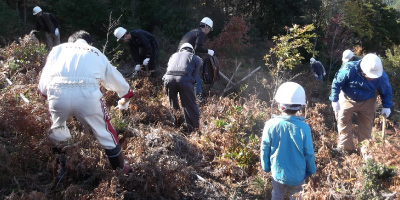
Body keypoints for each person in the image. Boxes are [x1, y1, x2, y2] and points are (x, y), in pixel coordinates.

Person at [38, 30, 134, 185]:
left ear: (70, 41)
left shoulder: (57, 50)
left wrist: (45, 94)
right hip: (87, 95)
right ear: (90, 43)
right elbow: (112, 76)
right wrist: (125, 93)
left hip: (57, 93)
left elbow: (45, 77)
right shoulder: (95, 52)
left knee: (58, 132)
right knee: (106, 133)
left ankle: (62, 169)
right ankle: (122, 170)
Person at [260, 82, 316, 199]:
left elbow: (265, 148)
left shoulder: (270, 125)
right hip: (298, 175)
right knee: (297, 196)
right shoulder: (304, 128)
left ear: (280, 106)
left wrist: (266, 166)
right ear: (301, 107)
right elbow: (309, 153)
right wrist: (311, 171)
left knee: (277, 194)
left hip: (277, 173)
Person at [330, 53, 393, 152]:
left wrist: (387, 106)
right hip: (347, 98)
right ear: (363, 70)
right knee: (343, 121)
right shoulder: (349, 69)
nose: (372, 78)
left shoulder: (381, 77)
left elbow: (386, 90)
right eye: (369, 75)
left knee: (366, 125)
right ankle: (346, 148)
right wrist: (334, 99)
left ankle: (365, 150)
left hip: (368, 101)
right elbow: (336, 82)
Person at [163, 43, 203, 132]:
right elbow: (195, 78)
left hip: (168, 80)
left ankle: (177, 126)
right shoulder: (196, 58)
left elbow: (169, 68)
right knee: (189, 105)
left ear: (181, 49)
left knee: (173, 105)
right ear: (192, 50)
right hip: (185, 80)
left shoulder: (173, 56)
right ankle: (193, 130)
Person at [178, 17, 215, 99]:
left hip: (179, 57)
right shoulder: (200, 33)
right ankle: (199, 99)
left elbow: (193, 49)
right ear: (206, 27)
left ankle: (183, 97)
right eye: (209, 29)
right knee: (196, 79)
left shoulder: (194, 32)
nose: (208, 32)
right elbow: (197, 48)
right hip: (186, 58)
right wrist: (208, 51)